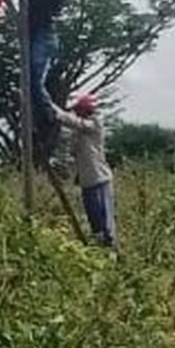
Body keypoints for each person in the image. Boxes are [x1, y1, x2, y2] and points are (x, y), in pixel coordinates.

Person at [51, 94, 117, 248]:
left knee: (104, 221)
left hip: (99, 179)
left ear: (86, 110)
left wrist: (53, 109)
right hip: (87, 181)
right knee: (94, 220)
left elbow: (74, 122)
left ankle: (110, 249)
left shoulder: (95, 123)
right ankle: (99, 248)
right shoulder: (79, 132)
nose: (77, 113)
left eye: (79, 110)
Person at [27, 0, 71, 137]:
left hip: (45, 34)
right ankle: (37, 120)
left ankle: (49, 116)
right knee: (28, 81)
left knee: (34, 80)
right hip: (32, 31)